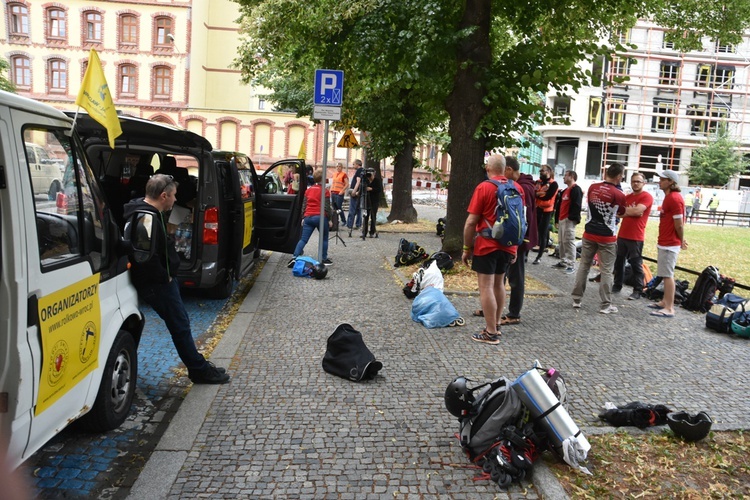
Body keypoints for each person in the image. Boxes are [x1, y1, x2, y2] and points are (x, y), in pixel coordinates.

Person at [123, 174, 230, 384]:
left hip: (159, 282)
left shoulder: (139, 211)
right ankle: (199, 370)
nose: (175, 200)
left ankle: (198, 365)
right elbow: (146, 258)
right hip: (158, 284)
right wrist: (167, 277)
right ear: (164, 195)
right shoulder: (149, 219)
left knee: (180, 324)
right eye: (173, 196)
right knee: (180, 326)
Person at [462, 155, 518, 344]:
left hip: (487, 244)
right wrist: (515, 247)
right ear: (504, 169)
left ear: (488, 168)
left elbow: (471, 222)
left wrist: (466, 247)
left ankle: (490, 332)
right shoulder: (516, 188)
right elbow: (520, 220)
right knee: (499, 284)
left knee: (486, 286)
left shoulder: (484, 187)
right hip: (508, 244)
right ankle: (497, 325)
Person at [571, 163, 630, 314]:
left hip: (589, 232)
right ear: (619, 176)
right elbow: (622, 212)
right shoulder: (619, 194)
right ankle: (605, 305)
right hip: (607, 236)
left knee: (584, 266)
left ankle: (576, 299)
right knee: (606, 271)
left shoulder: (592, 187)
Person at [501, 155, 535, 325]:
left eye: (502, 171)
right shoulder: (518, 185)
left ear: (509, 170)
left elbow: (524, 217)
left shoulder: (523, 188)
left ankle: (514, 314)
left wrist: (521, 240)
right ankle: (493, 308)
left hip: (518, 240)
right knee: (501, 275)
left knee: (516, 277)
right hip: (511, 239)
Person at [650, 169, 687, 318]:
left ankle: (669, 307)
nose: (659, 181)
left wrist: (681, 240)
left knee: (667, 275)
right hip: (666, 241)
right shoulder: (670, 197)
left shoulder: (674, 198)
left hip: (670, 242)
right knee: (665, 273)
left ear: (671, 182)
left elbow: (679, 224)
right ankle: (665, 301)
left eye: (663, 179)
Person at [612, 172, 653, 300]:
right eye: (633, 181)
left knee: (636, 264)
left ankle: (638, 290)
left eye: (638, 181)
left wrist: (629, 212)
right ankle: (617, 285)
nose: (635, 183)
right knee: (619, 261)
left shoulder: (646, 196)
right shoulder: (627, 197)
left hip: (636, 236)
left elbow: (637, 211)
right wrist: (631, 212)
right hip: (623, 234)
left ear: (643, 183)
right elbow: (618, 212)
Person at [289, 168, 333, 266]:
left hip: (308, 217)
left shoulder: (308, 191)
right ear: (322, 179)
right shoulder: (325, 191)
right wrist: (329, 219)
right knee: (324, 238)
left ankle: (294, 257)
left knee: (303, 239)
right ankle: (323, 258)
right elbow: (326, 207)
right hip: (320, 217)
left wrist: (303, 217)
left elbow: (304, 205)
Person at [553, 170, 583, 274]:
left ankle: (571, 264)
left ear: (571, 177)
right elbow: (559, 205)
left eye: (565, 175)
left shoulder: (576, 189)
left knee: (569, 241)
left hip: (569, 220)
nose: (563, 177)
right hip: (562, 219)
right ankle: (563, 261)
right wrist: (557, 219)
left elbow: (577, 205)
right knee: (561, 241)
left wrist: (572, 218)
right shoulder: (565, 191)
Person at [532, 165, 559, 265]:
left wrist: (538, 194)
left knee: (543, 233)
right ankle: (527, 252)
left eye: (542, 170)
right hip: (537, 208)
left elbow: (548, 197)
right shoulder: (538, 182)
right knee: (532, 230)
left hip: (547, 211)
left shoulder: (553, 184)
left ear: (548, 171)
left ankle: (539, 256)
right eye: (540, 170)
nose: (540, 172)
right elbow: (532, 193)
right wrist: (539, 194)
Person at [360, 168, 383, 239]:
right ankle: (364, 232)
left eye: (371, 174)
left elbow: (379, 190)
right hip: (366, 200)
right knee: (365, 217)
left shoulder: (377, 181)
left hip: (374, 201)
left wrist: (371, 189)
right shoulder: (365, 180)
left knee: (373, 216)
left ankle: (372, 232)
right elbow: (362, 188)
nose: (369, 176)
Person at [346, 159, 364, 230]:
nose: (353, 166)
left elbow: (358, 181)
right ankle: (358, 224)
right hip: (359, 193)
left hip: (356, 193)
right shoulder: (363, 171)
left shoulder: (359, 171)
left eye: (353, 164)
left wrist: (354, 191)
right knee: (359, 209)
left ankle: (350, 224)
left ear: (357, 164)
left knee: (352, 209)